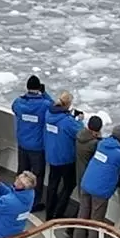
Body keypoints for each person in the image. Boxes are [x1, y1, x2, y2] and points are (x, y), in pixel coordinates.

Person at [73, 126, 120, 238]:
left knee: (83, 214)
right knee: (96, 219)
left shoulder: (101, 144)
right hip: (100, 190)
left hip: (87, 183)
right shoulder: (118, 154)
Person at [12, 75, 52, 210]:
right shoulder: (44, 104)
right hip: (37, 147)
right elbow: (53, 107)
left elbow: (14, 107)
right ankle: (34, 203)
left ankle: (17, 197)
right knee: (36, 176)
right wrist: (44, 94)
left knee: (22, 172)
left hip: (23, 143)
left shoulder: (19, 103)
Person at [43, 92, 83, 220]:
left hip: (51, 155)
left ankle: (49, 213)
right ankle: (59, 212)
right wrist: (79, 120)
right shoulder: (67, 121)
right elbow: (79, 132)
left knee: (53, 183)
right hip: (65, 158)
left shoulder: (48, 114)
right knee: (69, 184)